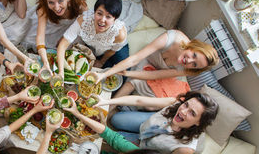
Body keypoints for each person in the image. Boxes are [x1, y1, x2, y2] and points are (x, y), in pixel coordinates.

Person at [96, 91, 218, 154]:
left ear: (198, 122)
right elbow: (139, 101)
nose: (183, 111)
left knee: (112, 139)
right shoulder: (174, 103)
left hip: (148, 148)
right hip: (148, 125)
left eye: (192, 113)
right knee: (115, 119)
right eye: (186, 105)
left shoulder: (185, 150)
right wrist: (106, 102)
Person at [91, 30, 219, 99]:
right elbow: (135, 59)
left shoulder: (187, 68)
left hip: (162, 73)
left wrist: (127, 72)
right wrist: (105, 75)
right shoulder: (172, 38)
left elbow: (157, 74)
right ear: (193, 46)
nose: (189, 61)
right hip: (149, 59)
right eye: (194, 55)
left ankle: (110, 107)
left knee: (135, 81)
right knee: (130, 80)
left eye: (195, 64)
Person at [22, 0, 87, 73]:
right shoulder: (43, 8)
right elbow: (40, 38)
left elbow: (84, 23)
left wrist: (65, 37)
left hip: (73, 27)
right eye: (51, 2)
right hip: (52, 25)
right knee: (29, 38)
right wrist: (45, 62)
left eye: (60, 1)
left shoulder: (79, 4)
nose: (56, 7)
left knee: (71, 49)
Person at [57, 0, 129, 78]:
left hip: (113, 50)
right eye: (99, 13)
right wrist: (61, 72)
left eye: (108, 17)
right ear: (94, 12)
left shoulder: (119, 34)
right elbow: (63, 43)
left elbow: (112, 51)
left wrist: (101, 62)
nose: (102, 20)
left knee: (121, 74)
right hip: (94, 48)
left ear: (115, 19)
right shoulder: (83, 20)